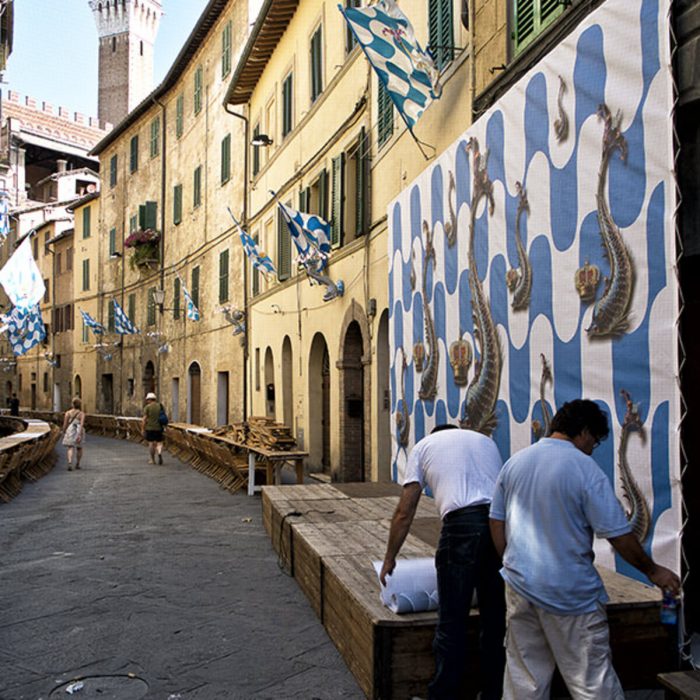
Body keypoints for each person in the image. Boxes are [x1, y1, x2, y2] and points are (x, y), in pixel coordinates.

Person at [489, 399, 681, 700]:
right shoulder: (583, 468)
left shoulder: (516, 462)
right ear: (584, 432)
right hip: (570, 595)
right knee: (593, 685)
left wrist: (512, 562)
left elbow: (496, 521)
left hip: (519, 588)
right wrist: (653, 571)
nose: (593, 448)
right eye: (595, 440)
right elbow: (619, 535)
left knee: (523, 682)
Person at [379, 424, 506, 700]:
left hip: (462, 525)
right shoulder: (485, 441)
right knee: (495, 620)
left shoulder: (424, 446)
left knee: (452, 620)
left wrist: (390, 557)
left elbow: (405, 510)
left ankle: (443, 695)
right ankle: (493, 692)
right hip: (501, 524)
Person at [61, 397, 86, 471]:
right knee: (79, 447)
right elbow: (81, 424)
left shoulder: (68, 413)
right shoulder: (81, 414)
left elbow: (65, 424)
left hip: (70, 429)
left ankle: (69, 462)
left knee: (70, 447)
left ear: (72, 404)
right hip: (78, 429)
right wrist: (80, 434)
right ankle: (77, 464)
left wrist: (64, 431)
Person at [141, 391, 165, 465]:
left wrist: (142, 429)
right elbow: (163, 416)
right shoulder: (160, 406)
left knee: (151, 443)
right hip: (159, 428)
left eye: (147, 400)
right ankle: (159, 453)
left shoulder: (147, 407)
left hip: (150, 428)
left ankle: (152, 459)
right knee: (159, 442)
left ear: (149, 399)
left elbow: (144, 419)